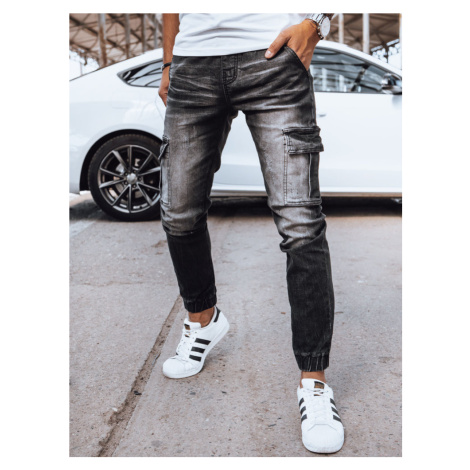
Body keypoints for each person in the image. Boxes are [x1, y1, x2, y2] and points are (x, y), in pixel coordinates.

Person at [157, 13, 344, 454]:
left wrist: (317, 21)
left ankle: (314, 381)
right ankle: (203, 321)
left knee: (300, 224)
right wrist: (168, 62)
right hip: (192, 63)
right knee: (178, 211)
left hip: (273, 54)